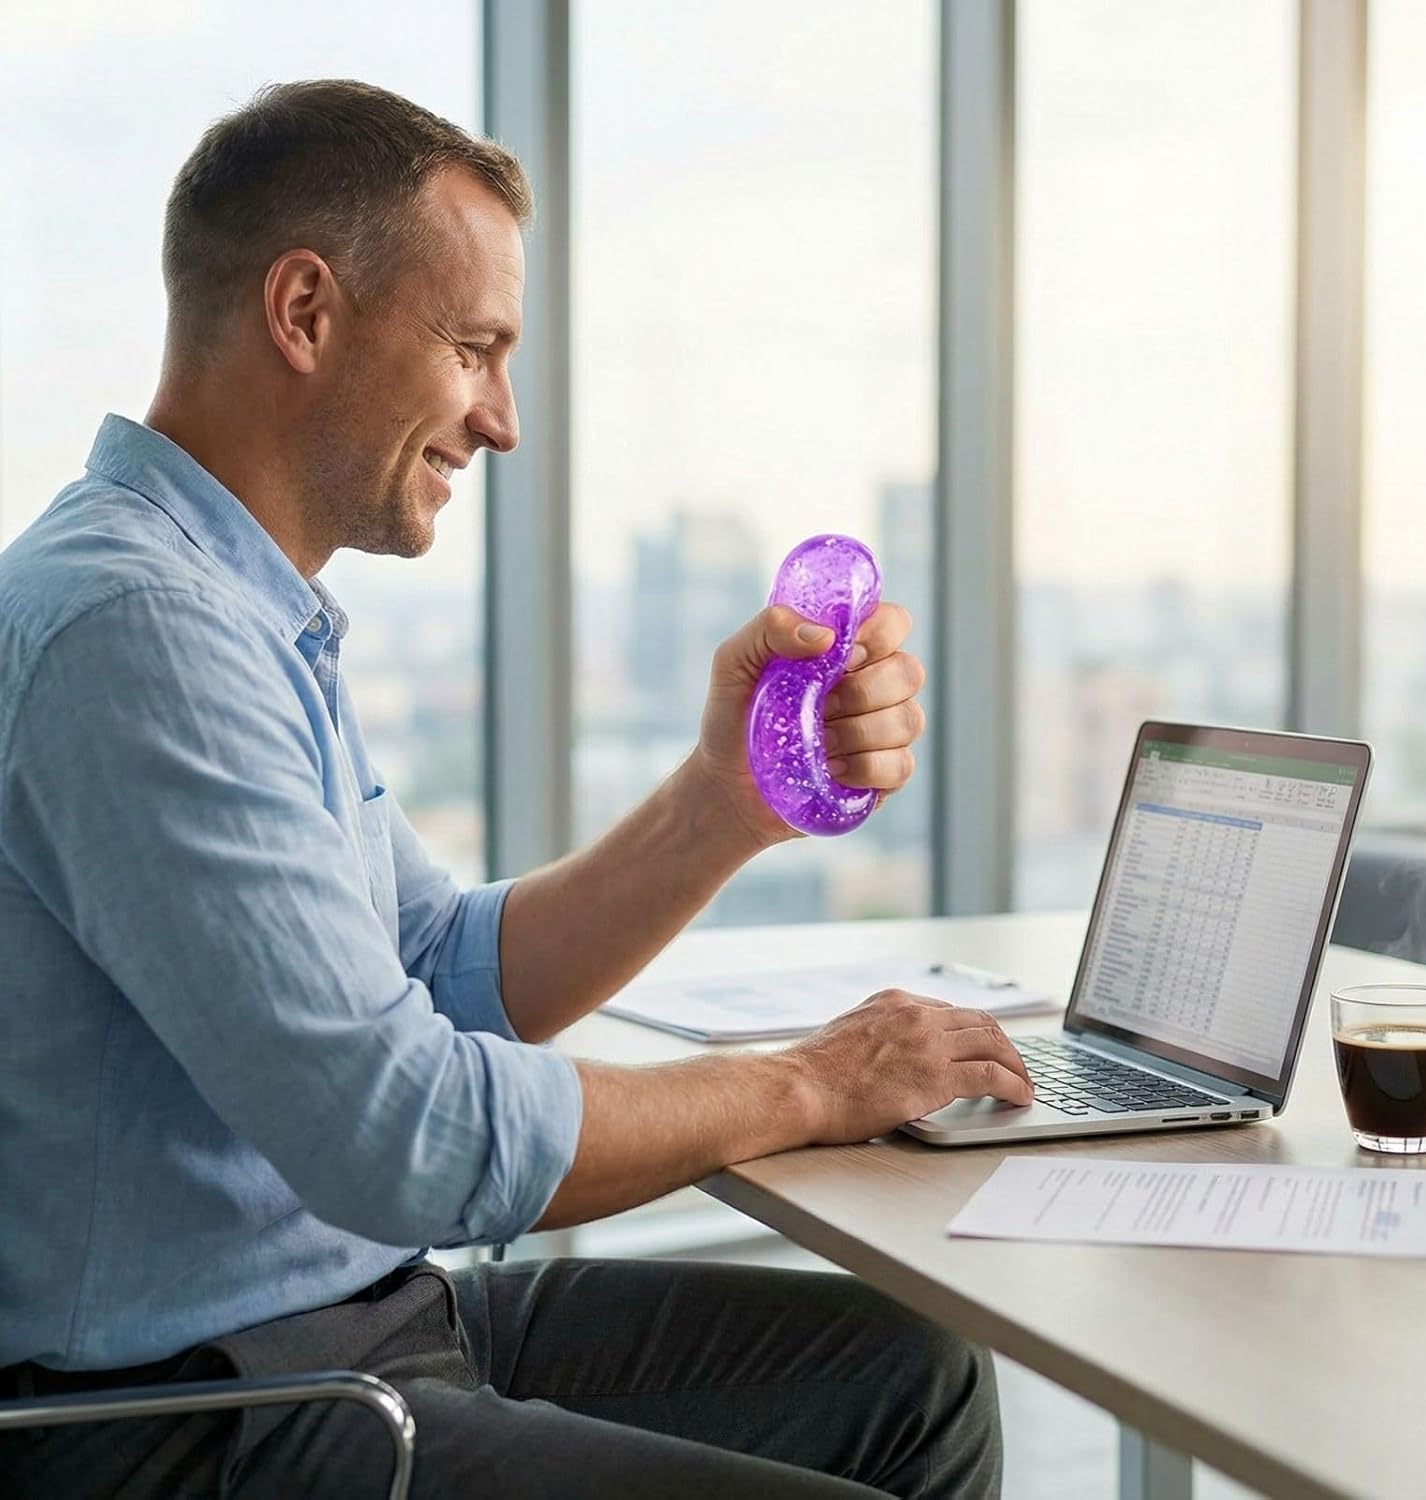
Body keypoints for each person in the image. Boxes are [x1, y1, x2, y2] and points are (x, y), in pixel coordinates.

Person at [0, 80, 1032, 1498]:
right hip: (194, 1413)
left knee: (909, 1381)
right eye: (474, 349)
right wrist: (811, 1083)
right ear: (304, 312)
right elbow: (402, 1131)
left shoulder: (235, 610)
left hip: (348, 1326)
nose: (502, 421)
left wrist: (726, 800)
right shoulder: (137, 628)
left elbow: (444, 969)